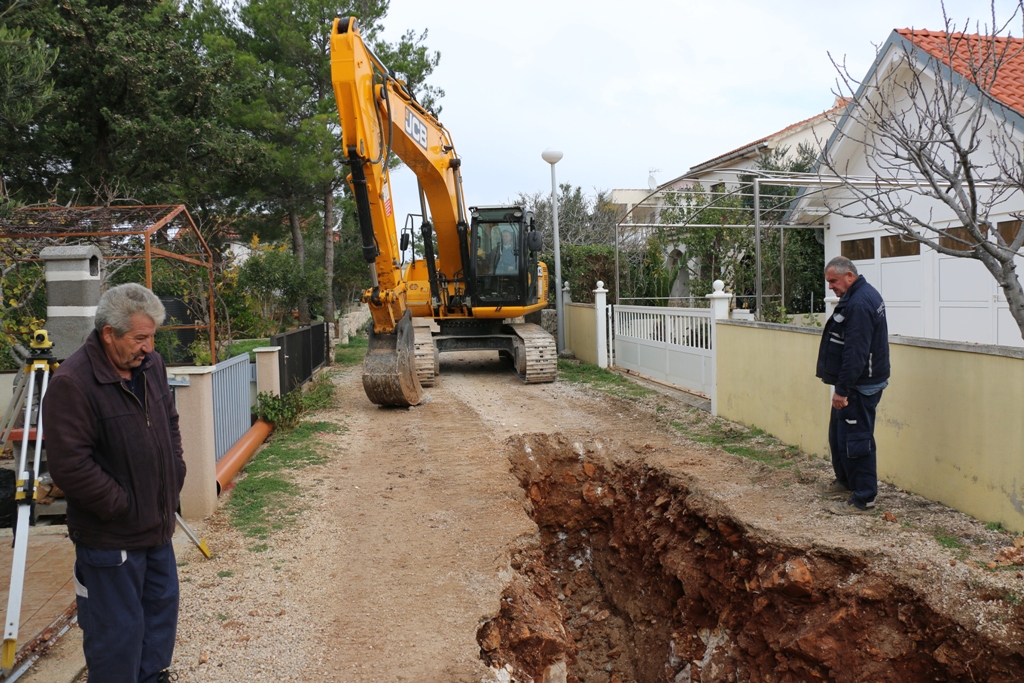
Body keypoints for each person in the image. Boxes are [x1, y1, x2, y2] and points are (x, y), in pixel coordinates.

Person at [42, 283, 185, 683]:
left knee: (160, 612)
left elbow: (169, 423)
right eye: (141, 338)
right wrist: (121, 505)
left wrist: (174, 475)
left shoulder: (151, 367)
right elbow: (70, 466)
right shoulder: (72, 383)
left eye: (153, 336)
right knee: (115, 632)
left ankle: (152, 676)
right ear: (109, 334)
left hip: (155, 528)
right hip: (110, 539)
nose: (150, 347)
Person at [815, 256, 890, 516]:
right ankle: (846, 482)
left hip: (859, 385)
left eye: (833, 281)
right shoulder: (863, 294)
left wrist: (843, 390)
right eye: (829, 282)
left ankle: (863, 499)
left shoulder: (859, 303)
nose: (831, 287)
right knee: (840, 435)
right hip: (858, 382)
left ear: (849, 276)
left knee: (857, 440)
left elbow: (855, 353)